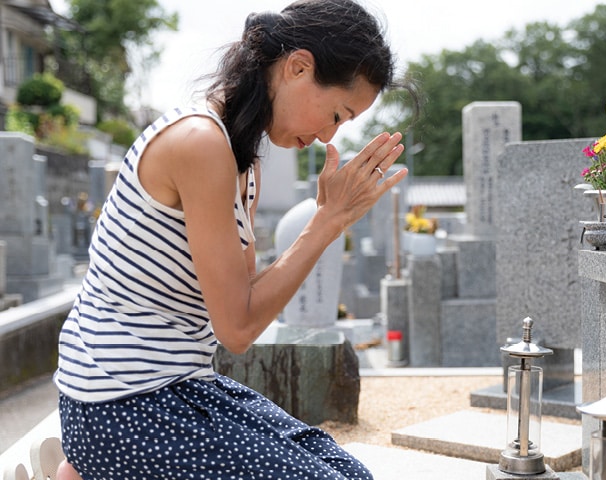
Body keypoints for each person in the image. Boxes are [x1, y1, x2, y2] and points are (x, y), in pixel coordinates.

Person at [53, 0, 410, 478]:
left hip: (177, 385)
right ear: (298, 67)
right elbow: (237, 329)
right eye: (337, 113)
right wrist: (326, 223)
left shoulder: (243, 159)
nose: (330, 134)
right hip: (119, 403)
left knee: (350, 473)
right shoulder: (200, 142)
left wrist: (328, 220)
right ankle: (89, 466)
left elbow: (245, 298)